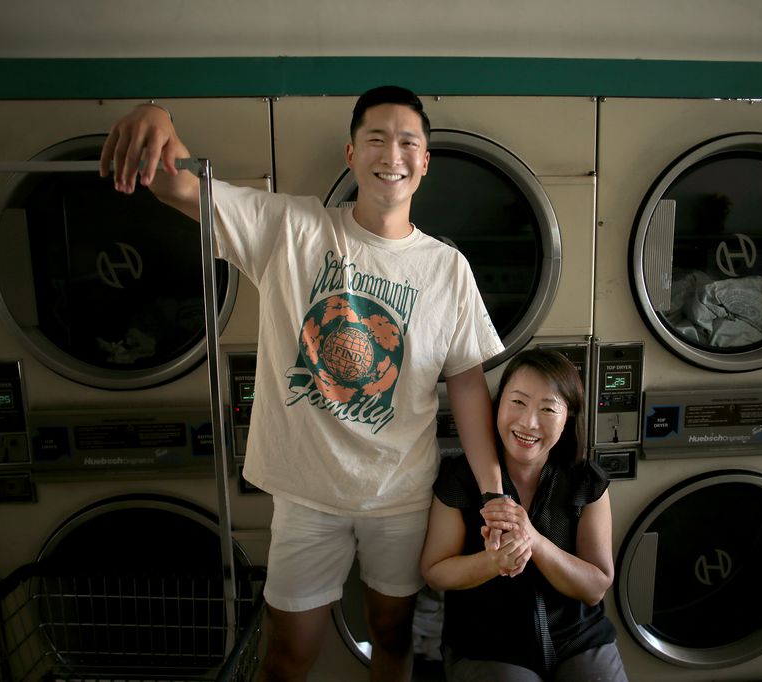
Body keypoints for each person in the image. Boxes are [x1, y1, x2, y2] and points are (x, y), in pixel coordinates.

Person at [99, 86, 507, 682]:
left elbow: (467, 386)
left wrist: (494, 491)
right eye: (375, 138)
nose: (390, 153)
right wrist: (156, 113)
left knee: (392, 638)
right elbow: (173, 184)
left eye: (406, 142)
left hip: (399, 495)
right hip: (305, 493)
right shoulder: (290, 229)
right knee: (287, 655)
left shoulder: (446, 268)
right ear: (350, 153)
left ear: (422, 162)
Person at [421, 348, 628, 682]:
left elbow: (595, 586)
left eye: (548, 408)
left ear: (568, 418)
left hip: (579, 641)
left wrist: (534, 540)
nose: (528, 423)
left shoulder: (585, 481)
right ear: (498, 404)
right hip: (487, 647)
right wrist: (493, 564)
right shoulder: (460, 479)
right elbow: (434, 572)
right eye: (517, 402)